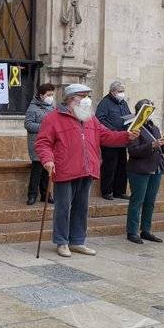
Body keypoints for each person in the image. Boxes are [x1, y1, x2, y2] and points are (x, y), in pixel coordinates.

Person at [34, 84, 139, 257]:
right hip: (65, 169)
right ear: (70, 99)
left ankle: (77, 241)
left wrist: (127, 136)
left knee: (81, 208)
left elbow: (107, 136)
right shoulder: (53, 118)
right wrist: (47, 160)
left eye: (87, 96)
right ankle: (62, 242)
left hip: (87, 168)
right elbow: (43, 143)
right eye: (82, 96)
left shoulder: (91, 119)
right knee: (63, 208)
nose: (86, 100)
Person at [125, 99, 164, 244]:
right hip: (139, 169)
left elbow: (161, 148)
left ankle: (146, 230)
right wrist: (151, 145)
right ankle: (132, 231)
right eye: (148, 110)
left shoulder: (154, 127)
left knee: (150, 201)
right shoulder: (134, 126)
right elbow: (133, 151)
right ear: (141, 111)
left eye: (151, 109)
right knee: (137, 201)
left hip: (156, 168)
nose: (150, 112)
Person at [96, 81, 132, 200]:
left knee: (122, 167)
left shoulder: (123, 103)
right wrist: (112, 130)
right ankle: (107, 191)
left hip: (122, 139)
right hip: (110, 140)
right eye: (120, 91)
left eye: (123, 91)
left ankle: (119, 191)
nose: (122, 94)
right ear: (113, 92)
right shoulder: (105, 103)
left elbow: (128, 115)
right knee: (109, 167)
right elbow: (100, 119)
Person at [24, 83, 56, 205]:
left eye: (52, 94)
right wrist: (44, 127)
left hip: (50, 144)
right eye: (48, 95)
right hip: (37, 144)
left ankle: (46, 194)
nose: (51, 97)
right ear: (41, 95)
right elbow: (28, 124)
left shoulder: (52, 108)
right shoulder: (33, 108)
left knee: (46, 171)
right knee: (37, 171)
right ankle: (32, 195)